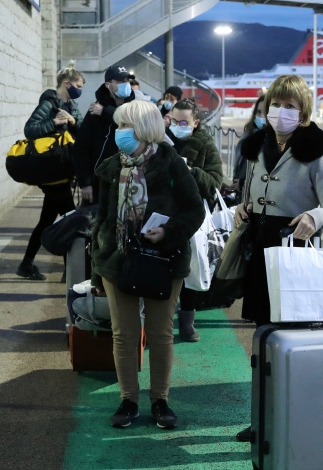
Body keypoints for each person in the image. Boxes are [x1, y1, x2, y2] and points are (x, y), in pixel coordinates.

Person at [91, 100, 205, 430]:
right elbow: (101, 220)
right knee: (123, 335)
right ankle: (128, 400)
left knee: (159, 333)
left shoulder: (171, 164)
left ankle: (160, 400)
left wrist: (167, 232)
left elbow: (194, 211)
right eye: (119, 126)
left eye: (125, 126)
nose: (119, 133)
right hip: (117, 260)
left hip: (163, 260)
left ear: (144, 130)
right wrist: (98, 266)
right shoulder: (111, 167)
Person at [234, 74, 323, 327]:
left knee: (292, 324)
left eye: (290, 106)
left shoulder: (315, 151)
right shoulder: (258, 147)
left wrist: (314, 217)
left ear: (302, 113)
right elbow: (250, 194)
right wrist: (243, 207)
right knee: (262, 325)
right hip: (259, 247)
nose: (280, 111)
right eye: (275, 104)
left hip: (295, 248)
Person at [16, 61, 85, 280]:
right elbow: (30, 129)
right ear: (67, 83)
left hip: (61, 171)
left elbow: (83, 132)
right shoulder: (48, 103)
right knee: (70, 218)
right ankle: (70, 272)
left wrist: (73, 122)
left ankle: (27, 265)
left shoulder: (72, 106)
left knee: (48, 220)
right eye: (78, 85)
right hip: (50, 171)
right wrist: (54, 122)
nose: (80, 89)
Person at [165, 98, 223, 342]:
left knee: (191, 267)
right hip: (162, 212)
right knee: (161, 267)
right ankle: (161, 321)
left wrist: (192, 172)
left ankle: (187, 321)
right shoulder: (161, 140)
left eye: (183, 122)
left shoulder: (205, 144)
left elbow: (215, 183)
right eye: (173, 120)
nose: (177, 125)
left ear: (196, 122)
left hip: (192, 215)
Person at [73, 64, 136, 204]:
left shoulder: (133, 108)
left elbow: (133, 125)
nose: (126, 84)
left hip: (130, 181)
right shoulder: (94, 112)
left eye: (127, 80)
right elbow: (81, 149)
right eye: (120, 81)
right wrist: (85, 182)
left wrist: (106, 112)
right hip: (100, 181)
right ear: (108, 85)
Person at [232, 93, 267, 191]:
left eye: (265, 112)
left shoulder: (271, 141)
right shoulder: (249, 134)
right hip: (241, 195)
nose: (261, 116)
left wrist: (243, 183)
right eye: (258, 112)